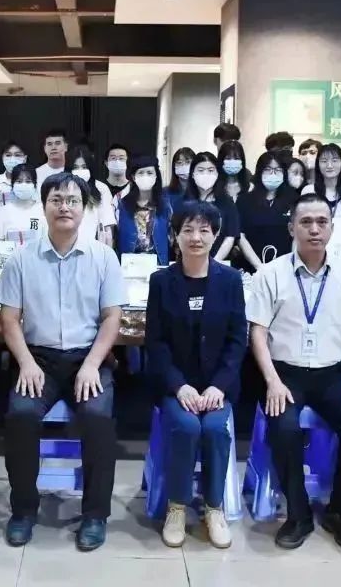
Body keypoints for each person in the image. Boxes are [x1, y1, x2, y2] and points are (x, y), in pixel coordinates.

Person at [0, 172, 126, 551]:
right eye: (56, 200)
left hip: (89, 357)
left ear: (84, 209)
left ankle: (95, 515)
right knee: (21, 415)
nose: (64, 207)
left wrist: (92, 364)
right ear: (44, 206)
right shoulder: (22, 258)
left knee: (98, 418)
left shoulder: (103, 257)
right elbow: (9, 319)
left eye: (72, 200)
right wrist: (25, 363)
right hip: (38, 359)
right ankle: (23, 511)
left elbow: (112, 318)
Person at [247, 193, 341, 551]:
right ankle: (298, 513)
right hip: (284, 374)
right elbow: (257, 332)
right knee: (285, 428)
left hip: (333, 375)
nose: (314, 229)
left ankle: (340, 513)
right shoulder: (270, 274)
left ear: (332, 228)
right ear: (292, 228)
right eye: (306, 222)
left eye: (322, 222)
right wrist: (272, 381)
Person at [145, 201, 246, 549]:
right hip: (176, 386)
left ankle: (214, 508)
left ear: (215, 235)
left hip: (217, 387)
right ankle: (176, 506)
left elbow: (237, 340)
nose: (196, 237)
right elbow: (156, 343)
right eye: (187, 230)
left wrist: (219, 385)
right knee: (187, 427)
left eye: (204, 230)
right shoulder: (161, 281)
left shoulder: (231, 280)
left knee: (215, 428)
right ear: (175, 235)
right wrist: (179, 386)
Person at [236, 152, 298, 273]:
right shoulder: (245, 200)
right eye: (268, 170)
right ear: (259, 172)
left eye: (277, 170)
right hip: (251, 267)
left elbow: (297, 235)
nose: (272, 174)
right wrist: (259, 267)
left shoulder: (293, 199)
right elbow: (240, 236)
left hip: (285, 268)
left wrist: (291, 264)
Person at [184, 152, 240, 263]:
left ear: (217, 174)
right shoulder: (185, 202)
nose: (206, 174)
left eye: (210, 170)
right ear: (192, 174)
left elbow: (231, 236)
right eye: (201, 170)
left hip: (219, 262)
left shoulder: (226, 202)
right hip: (190, 261)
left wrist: (215, 262)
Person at [116, 156, 172, 265]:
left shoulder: (165, 205)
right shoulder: (122, 205)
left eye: (150, 173)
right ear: (133, 177)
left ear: (156, 176)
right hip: (130, 264)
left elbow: (172, 238)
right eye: (141, 173)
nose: (145, 176)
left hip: (158, 264)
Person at [66, 145, 116, 246]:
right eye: (75, 167)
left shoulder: (101, 188)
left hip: (93, 247)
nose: (80, 170)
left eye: (84, 167)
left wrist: (107, 250)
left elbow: (108, 224)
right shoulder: (61, 188)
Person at [0, 164, 45, 246]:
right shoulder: (3, 212)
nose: (23, 185)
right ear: (12, 185)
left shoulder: (43, 210)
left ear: (35, 185)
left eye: (28, 181)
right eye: (19, 181)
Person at [309, 143, 341, 220]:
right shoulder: (309, 191)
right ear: (318, 164)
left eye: (334, 160)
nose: (329, 165)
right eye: (324, 161)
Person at [166, 147, 195, 213]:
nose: (183, 166)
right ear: (174, 166)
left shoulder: (200, 192)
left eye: (188, 162)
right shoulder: (166, 193)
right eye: (179, 163)